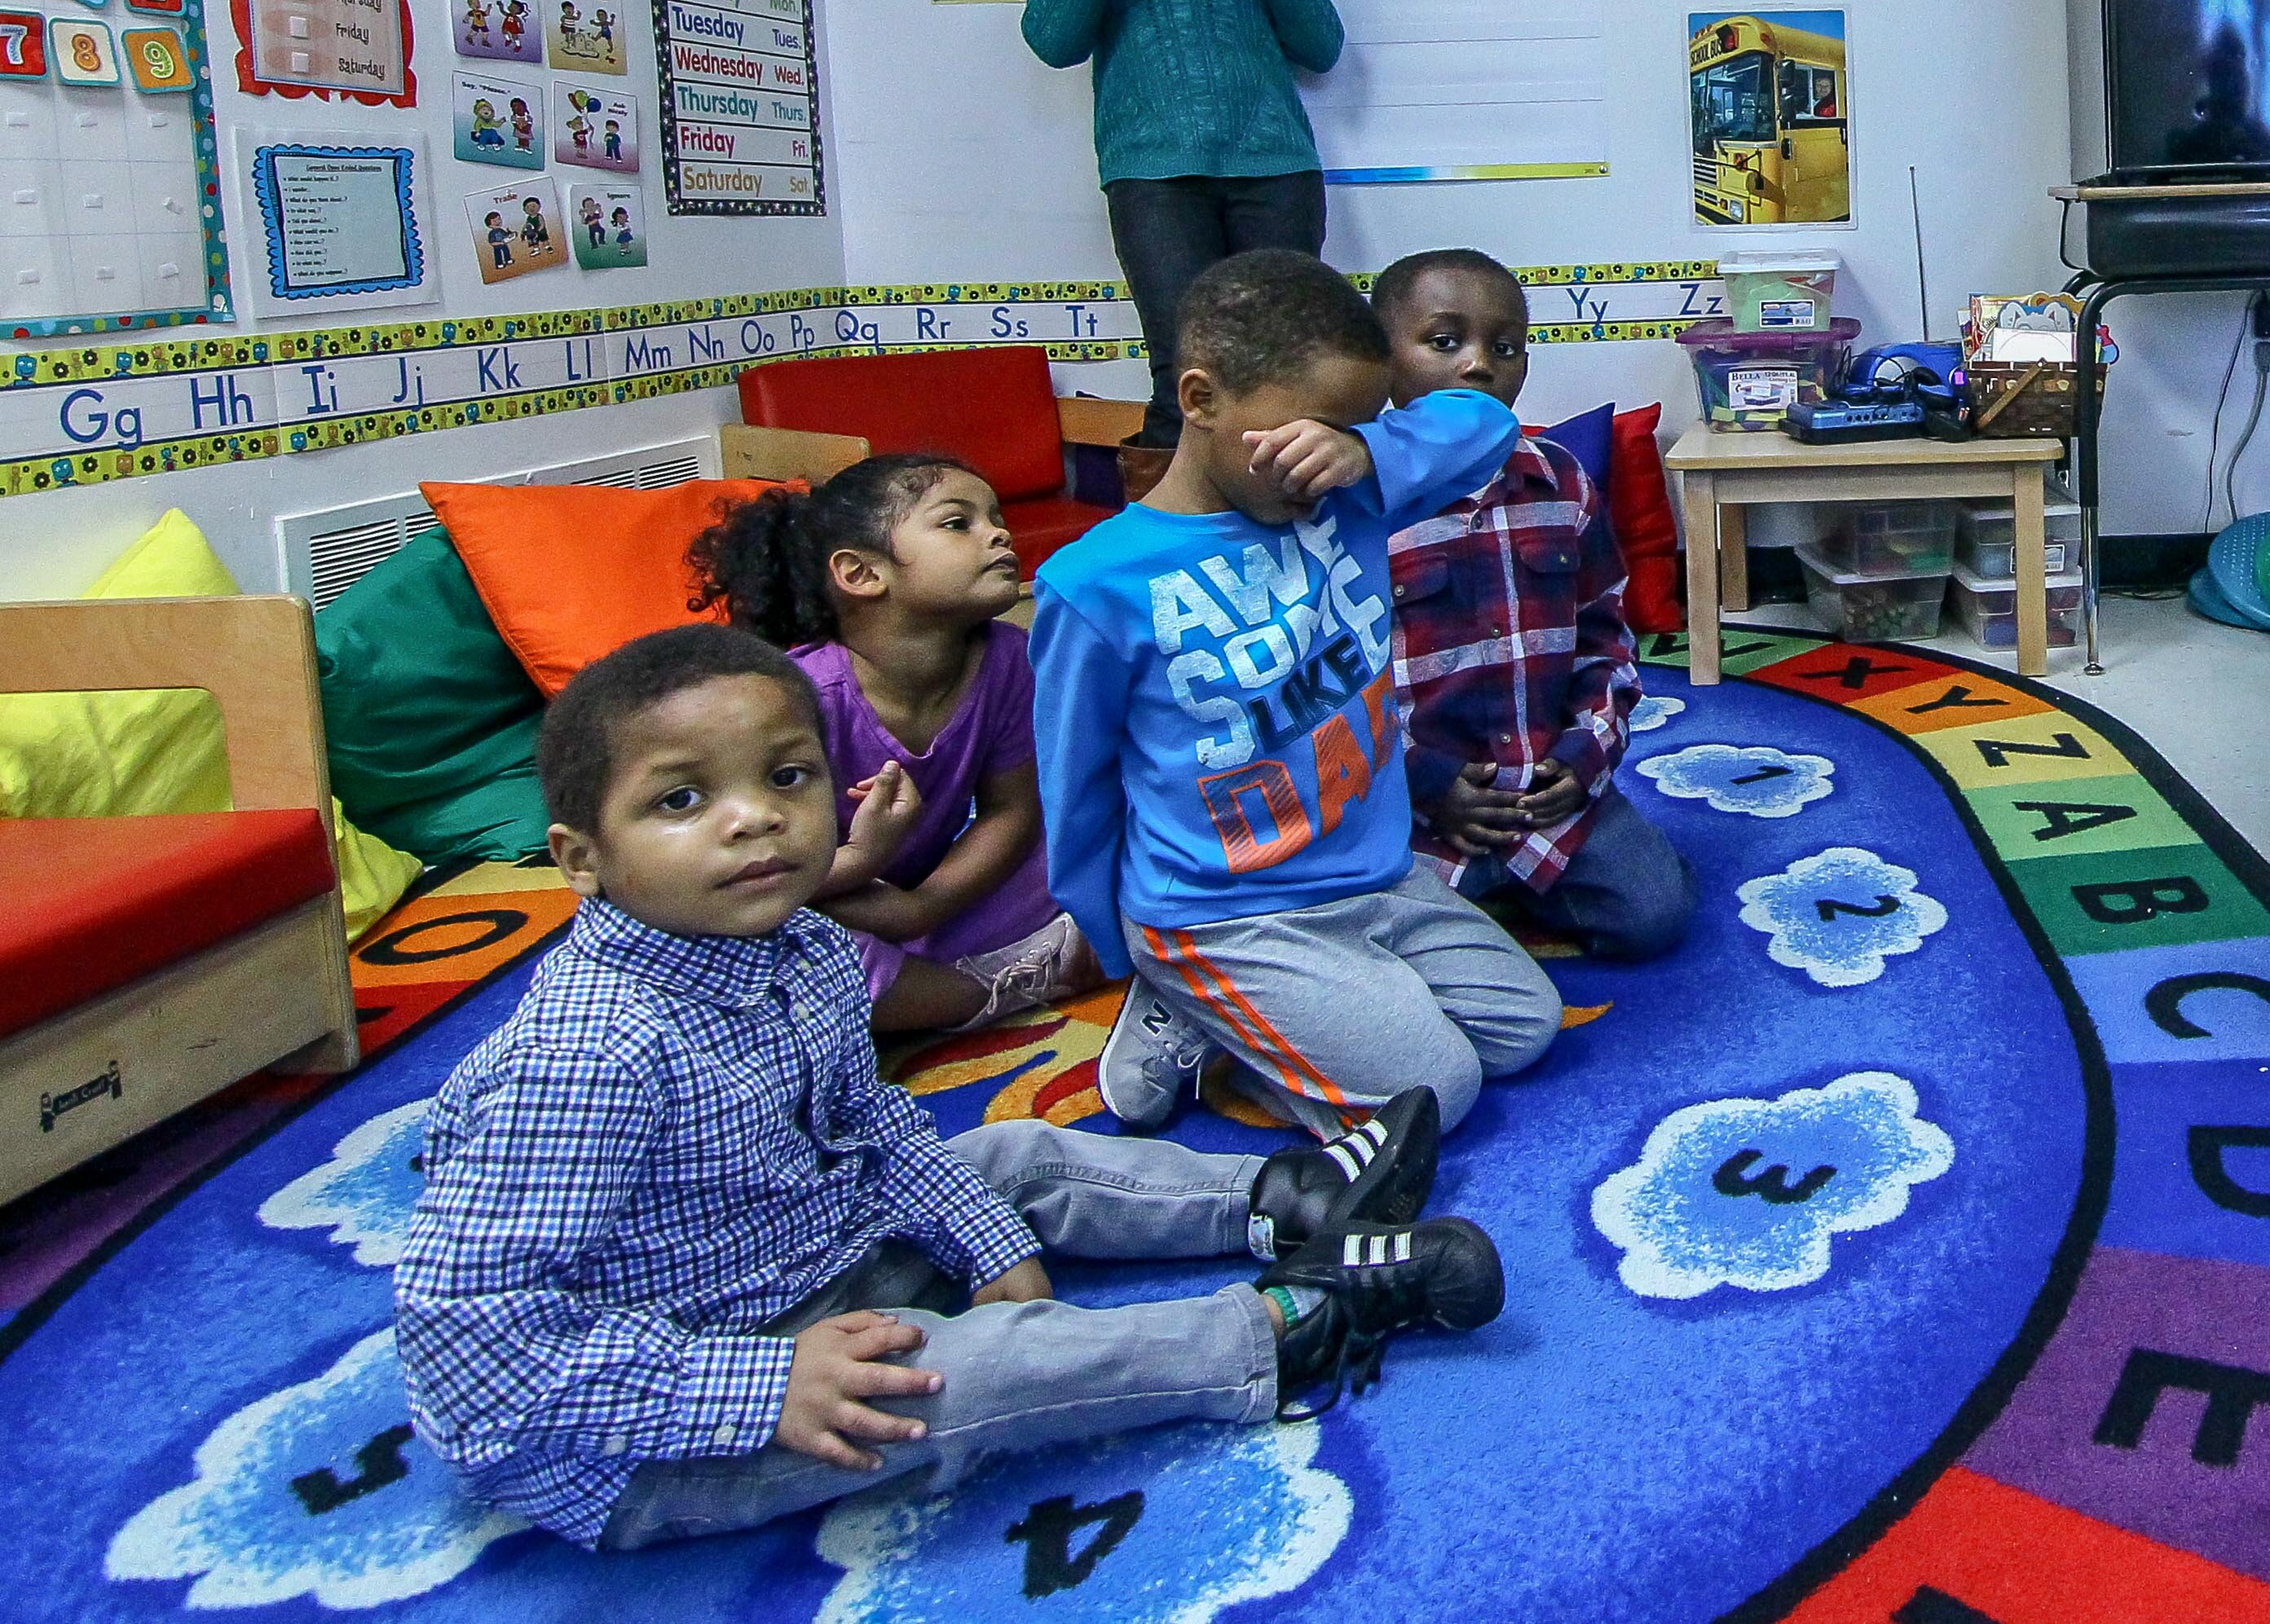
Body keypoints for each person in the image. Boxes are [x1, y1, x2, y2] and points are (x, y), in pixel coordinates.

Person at [391, 624, 1491, 1553]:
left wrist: (986, 1235)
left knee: (1008, 1154)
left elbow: (869, 1125)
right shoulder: (585, 1057)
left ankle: (1290, 1195)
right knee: (971, 1370)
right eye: (682, 798)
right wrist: (757, 1385)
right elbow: (464, 1342)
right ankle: (1286, 1324)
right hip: (658, 1429)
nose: (754, 817)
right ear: (582, 858)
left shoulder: (806, 945)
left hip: (811, 1248)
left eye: (786, 776)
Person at [1031, 248, 1560, 1140]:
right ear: (1199, 400)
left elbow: (1483, 421)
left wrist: (1366, 446)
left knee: (1524, 1025)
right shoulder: (1092, 584)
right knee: (1439, 1087)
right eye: (1308, 427)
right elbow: (1074, 790)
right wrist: (1127, 950)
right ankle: (1181, 993)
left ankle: (1263, 1015)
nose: (1321, 457)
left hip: (1375, 878)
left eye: (1346, 429)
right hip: (1220, 911)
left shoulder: (1344, 498)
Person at [688, 454, 1104, 1037]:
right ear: (861, 574)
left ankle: (956, 977)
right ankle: (984, 990)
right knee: (791, 955)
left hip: (915, 894)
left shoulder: (1009, 658)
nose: (999, 533)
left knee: (1108, 846)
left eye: (996, 517)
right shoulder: (798, 698)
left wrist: (924, 906)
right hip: (802, 894)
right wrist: (860, 861)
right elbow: (744, 867)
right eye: (959, 523)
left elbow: (1011, 812)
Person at [1020, 0, 1344, 486]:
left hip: (1276, 169)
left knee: (1286, 362)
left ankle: (1292, 533)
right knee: (1184, 368)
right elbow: (1054, 41)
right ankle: (1163, 555)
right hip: (1152, 176)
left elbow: (1321, 45)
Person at [1373, 249, 1693, 961]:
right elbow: (1330, 691)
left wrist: (1583, 757)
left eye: (1506, 346)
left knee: (1656, 917)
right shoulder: (1356, 504)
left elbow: (1606, 637)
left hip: (1546, 792)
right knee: (1376, 945)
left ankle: (1515, 893)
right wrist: (1427, 783)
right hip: (1418, 808)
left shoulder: (1564, 483)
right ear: (1382, 357)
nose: (1479, 364)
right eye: (1445, 341)